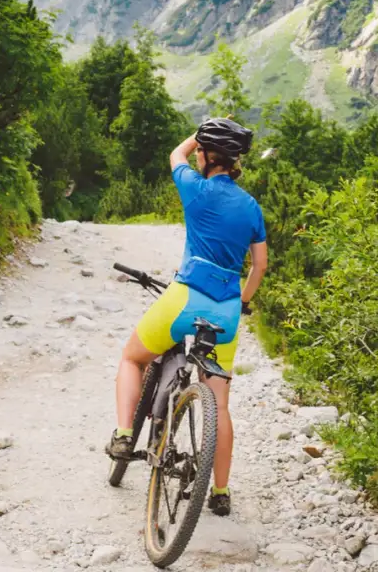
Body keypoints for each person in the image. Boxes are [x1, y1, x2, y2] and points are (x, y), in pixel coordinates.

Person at [106, 117, 269, 517]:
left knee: (133, 357)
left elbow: (175, 153)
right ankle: (221, 491)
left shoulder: (194, 188)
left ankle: (126, 436)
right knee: (220, 402)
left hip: (184, 299)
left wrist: (199, 135)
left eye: (201, 150)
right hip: (227, 311)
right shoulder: (251, 206)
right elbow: (260, 265)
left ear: (207, 155)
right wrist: (243, 302)